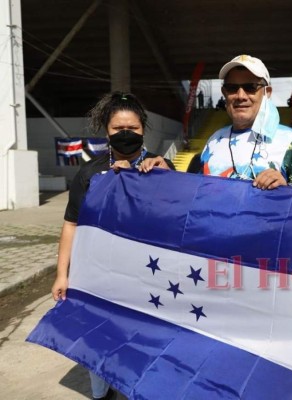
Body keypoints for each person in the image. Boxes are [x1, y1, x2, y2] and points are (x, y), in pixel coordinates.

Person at [51, 91, 174, 400]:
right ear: (106, 131)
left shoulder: (160, 167)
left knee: (143, 336)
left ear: (143, 129)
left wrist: (167, 179)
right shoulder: (91, 173)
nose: (125, 135)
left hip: (147, 276)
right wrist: (62, 274)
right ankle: (102, 391)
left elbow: (179, 218)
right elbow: (71, 223)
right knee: (100, 336)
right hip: (100, 276)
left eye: (132, 128)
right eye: (118, 129)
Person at [201, 54, 292, 189]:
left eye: (250, 87)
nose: (240, 96)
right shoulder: (213, 141)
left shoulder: (291, 140)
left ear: (267, 92)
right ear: (224, 92)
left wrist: (285, 188)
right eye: (232, 88)